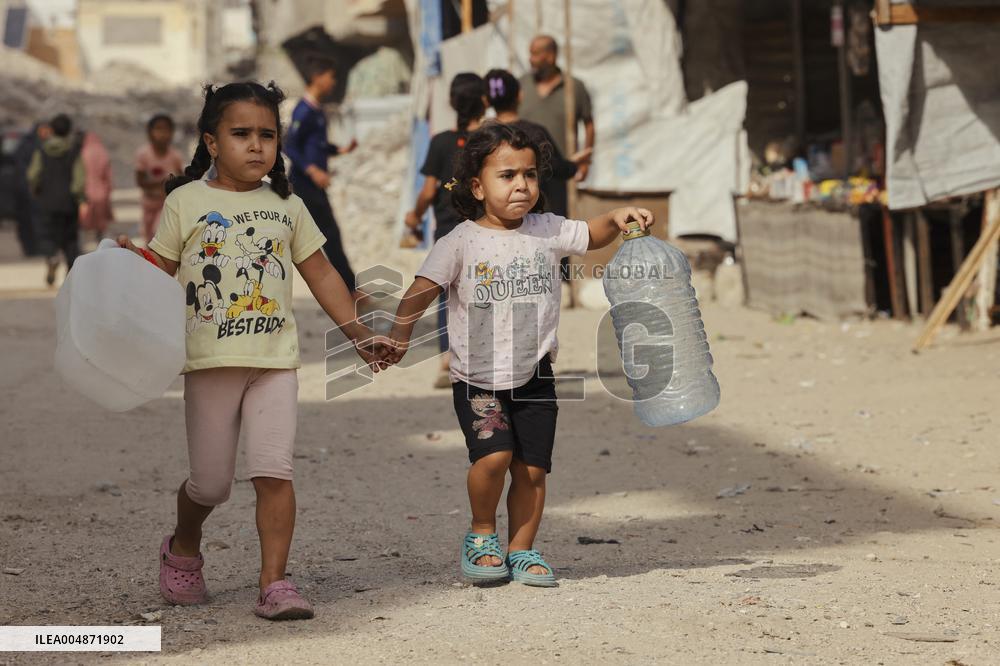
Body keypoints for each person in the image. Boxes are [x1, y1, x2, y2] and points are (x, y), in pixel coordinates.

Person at [115, 81, 389, 620]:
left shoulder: (287, 205)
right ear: (212, 142)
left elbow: (323, 274)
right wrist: (130, 261)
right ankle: (184, 543)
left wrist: (357, 334)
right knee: (211, 483)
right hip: (211, 366)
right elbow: (160, 270)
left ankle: (275, 583)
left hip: (273, 364)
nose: (257, 146)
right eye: (241, 134)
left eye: (267, 134)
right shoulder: (186, 201)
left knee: (274, 470)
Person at [385, 123, 653, 587]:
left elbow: (593, 234)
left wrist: (618, 215)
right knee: (492, 458)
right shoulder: (460, 242)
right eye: (506, 175)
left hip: (536, 374)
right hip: (477, 378)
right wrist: (399, 336)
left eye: (529, 175)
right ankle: (483, 534)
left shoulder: (548, 230)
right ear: (477, 185)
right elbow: (421, 290)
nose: (522, 186)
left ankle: (523, 549)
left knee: (532, 469)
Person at [403, 72, 487, 389]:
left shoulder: (440, 142)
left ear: (451, 103)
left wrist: (414, 216)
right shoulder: (490, 141)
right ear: (484, 101)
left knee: (447, 293)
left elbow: (427, 192)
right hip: (484, 229)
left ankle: (448, 358)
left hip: (448, 231)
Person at [283, 55, 361, 300]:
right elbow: (289, 145)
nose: (333, 82)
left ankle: (347, 288)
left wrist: (339, 150)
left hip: (312, 186)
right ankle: (348, 290)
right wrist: (313, 170)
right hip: (305, 186)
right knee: (328, 235)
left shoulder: (317, 110)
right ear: (318, 77)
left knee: (325, 236)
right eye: (331, 77)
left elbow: (316, 145)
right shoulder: (303, 110)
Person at [484, 68, 591, 218]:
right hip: (535, 218)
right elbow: (554, 167)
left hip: (497, 219)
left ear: (487, 101)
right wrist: (572, 165)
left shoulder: (483, 136)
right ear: (520, 95)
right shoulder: (535, 132)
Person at [519, 35, 595, 183]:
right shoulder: (521, 85)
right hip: (524, 172)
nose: (530, 59)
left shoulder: (574, 87)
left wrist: (585, 162)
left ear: (550, 56)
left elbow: (589, 125)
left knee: (558, 207)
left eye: (535, 54)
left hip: (560, 173)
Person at [27, 114, 86, 286]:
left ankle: (52, 257)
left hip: (47, 202)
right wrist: (80, 198)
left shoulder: (42, 150)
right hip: (68, 204)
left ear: (51, 130)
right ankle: (70, 272)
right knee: (70, 239)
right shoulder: (73, 150)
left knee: (48, 235)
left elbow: (33, 175)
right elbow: (79, 180)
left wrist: (36, 189)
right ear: (68, 130)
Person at [135, 113, 184, 243]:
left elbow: (182, 180)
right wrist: (159, 184)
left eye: (166, 129)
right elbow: (140, 181)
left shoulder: (175, 156)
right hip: (149, 204)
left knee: (160, 233)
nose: (162, 133)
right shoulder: (143, 155)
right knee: (148, 236)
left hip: (167, 204)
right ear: (150, 132)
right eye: (158, 129)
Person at [79, 131, 114, 242]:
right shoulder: (103, 152)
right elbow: (108, 174)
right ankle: (100, 239)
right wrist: (109, 188)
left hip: (87, 189)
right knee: (101, 219)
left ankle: (83, 243)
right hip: (101, 189)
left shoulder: (83, 153)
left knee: (86, 218)